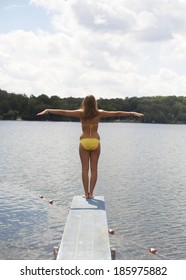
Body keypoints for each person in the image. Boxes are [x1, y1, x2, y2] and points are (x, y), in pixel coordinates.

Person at [37, 95, 144, 199]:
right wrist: (132, 113)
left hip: (84, 141)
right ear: (95, 103)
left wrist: (48, 110)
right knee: (94, 169)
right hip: (95, 141)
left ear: (84, 103)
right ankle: (91, 193)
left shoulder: (80, 113)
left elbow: (64, 112)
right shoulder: (99, 113)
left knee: (84, 169)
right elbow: (116, 113)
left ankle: (85, 193)